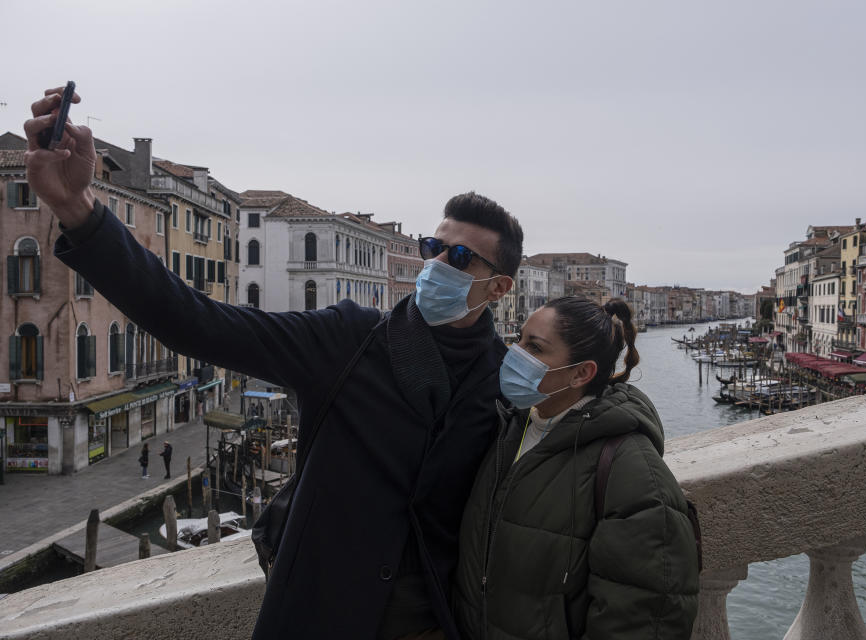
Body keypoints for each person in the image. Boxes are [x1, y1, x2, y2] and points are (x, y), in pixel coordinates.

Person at [24, 86, 522, 639]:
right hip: (316, 617)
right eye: (432, 247)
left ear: (497, 287)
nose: (433, 264)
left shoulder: (504, 385)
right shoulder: (349, 339)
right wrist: (78, 209)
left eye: (456, 257)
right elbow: (194, 320)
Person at [454, 297, 700, 639]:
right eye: (519, 340)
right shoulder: (508, 428)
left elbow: (644, 620)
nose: (514, 353)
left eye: (534, 347)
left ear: (581, 373)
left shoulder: (634, 473)